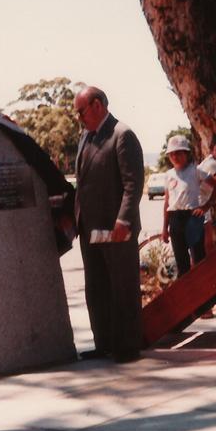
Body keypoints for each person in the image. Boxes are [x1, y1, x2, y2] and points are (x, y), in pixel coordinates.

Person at [73, 86, 145, 364]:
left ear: (97, 105)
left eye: (81, 111)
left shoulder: (122, 135)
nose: (79, 117)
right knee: (97, 288)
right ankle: (103, 343)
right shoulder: (85, 138)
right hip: (89, 229)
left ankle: (127, 347)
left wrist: (124, 220)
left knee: (122, 287)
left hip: (116, 229)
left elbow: (132, 184)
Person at [162, 135, 216, 277]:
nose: (175, 156)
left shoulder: (196, 171)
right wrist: (165, 227)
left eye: (179, 153)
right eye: (172, 154)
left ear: (187, 154)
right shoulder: (169, 175)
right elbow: (167, 202)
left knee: (199, 259)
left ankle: (202, 295)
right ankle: (187, 296)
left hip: (192, 217)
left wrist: (206, 206)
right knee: (182, 262)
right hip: (175, 219)